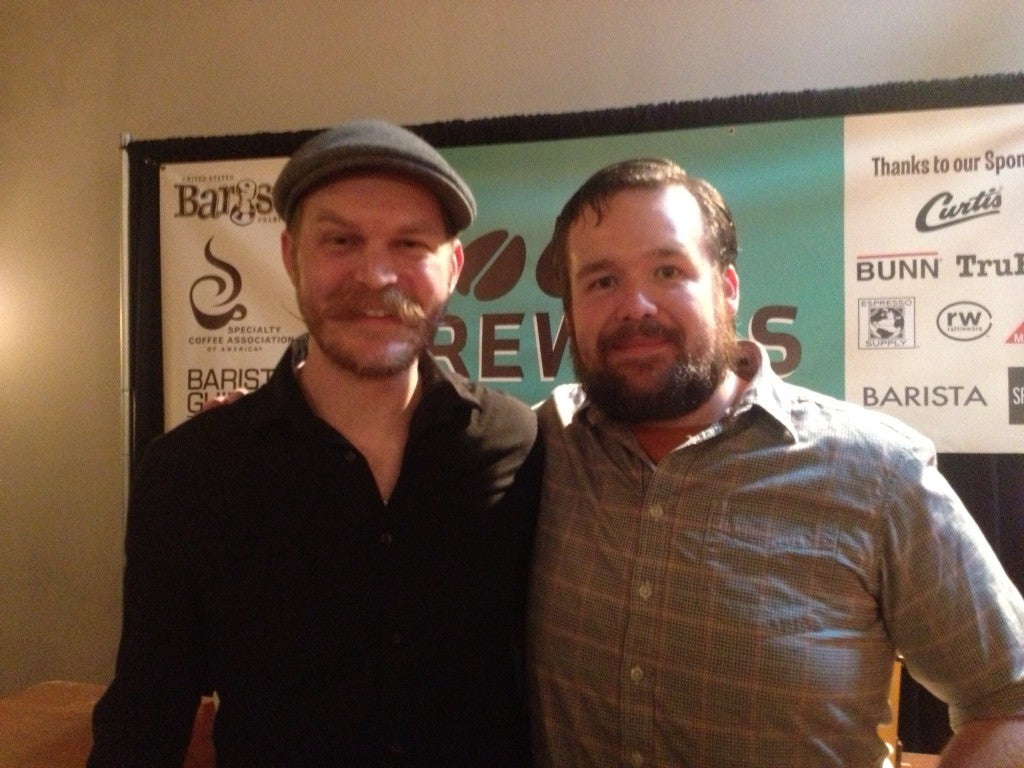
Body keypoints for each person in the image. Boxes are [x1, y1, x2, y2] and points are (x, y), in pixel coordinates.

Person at [525, 157, 1024, 768]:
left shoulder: (875, 473)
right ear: (571, 313)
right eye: (601, 281)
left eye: (668, 270)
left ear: (727, 288)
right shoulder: (542, 446)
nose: (636, 305)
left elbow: (1010, 697)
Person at [89, 119, 542, 767]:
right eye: (340, 241)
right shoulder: (192, 469)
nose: (376, 274)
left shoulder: (518, 442)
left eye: (410, 243)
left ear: (454, 267)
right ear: (289, 255)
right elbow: (146, 711)